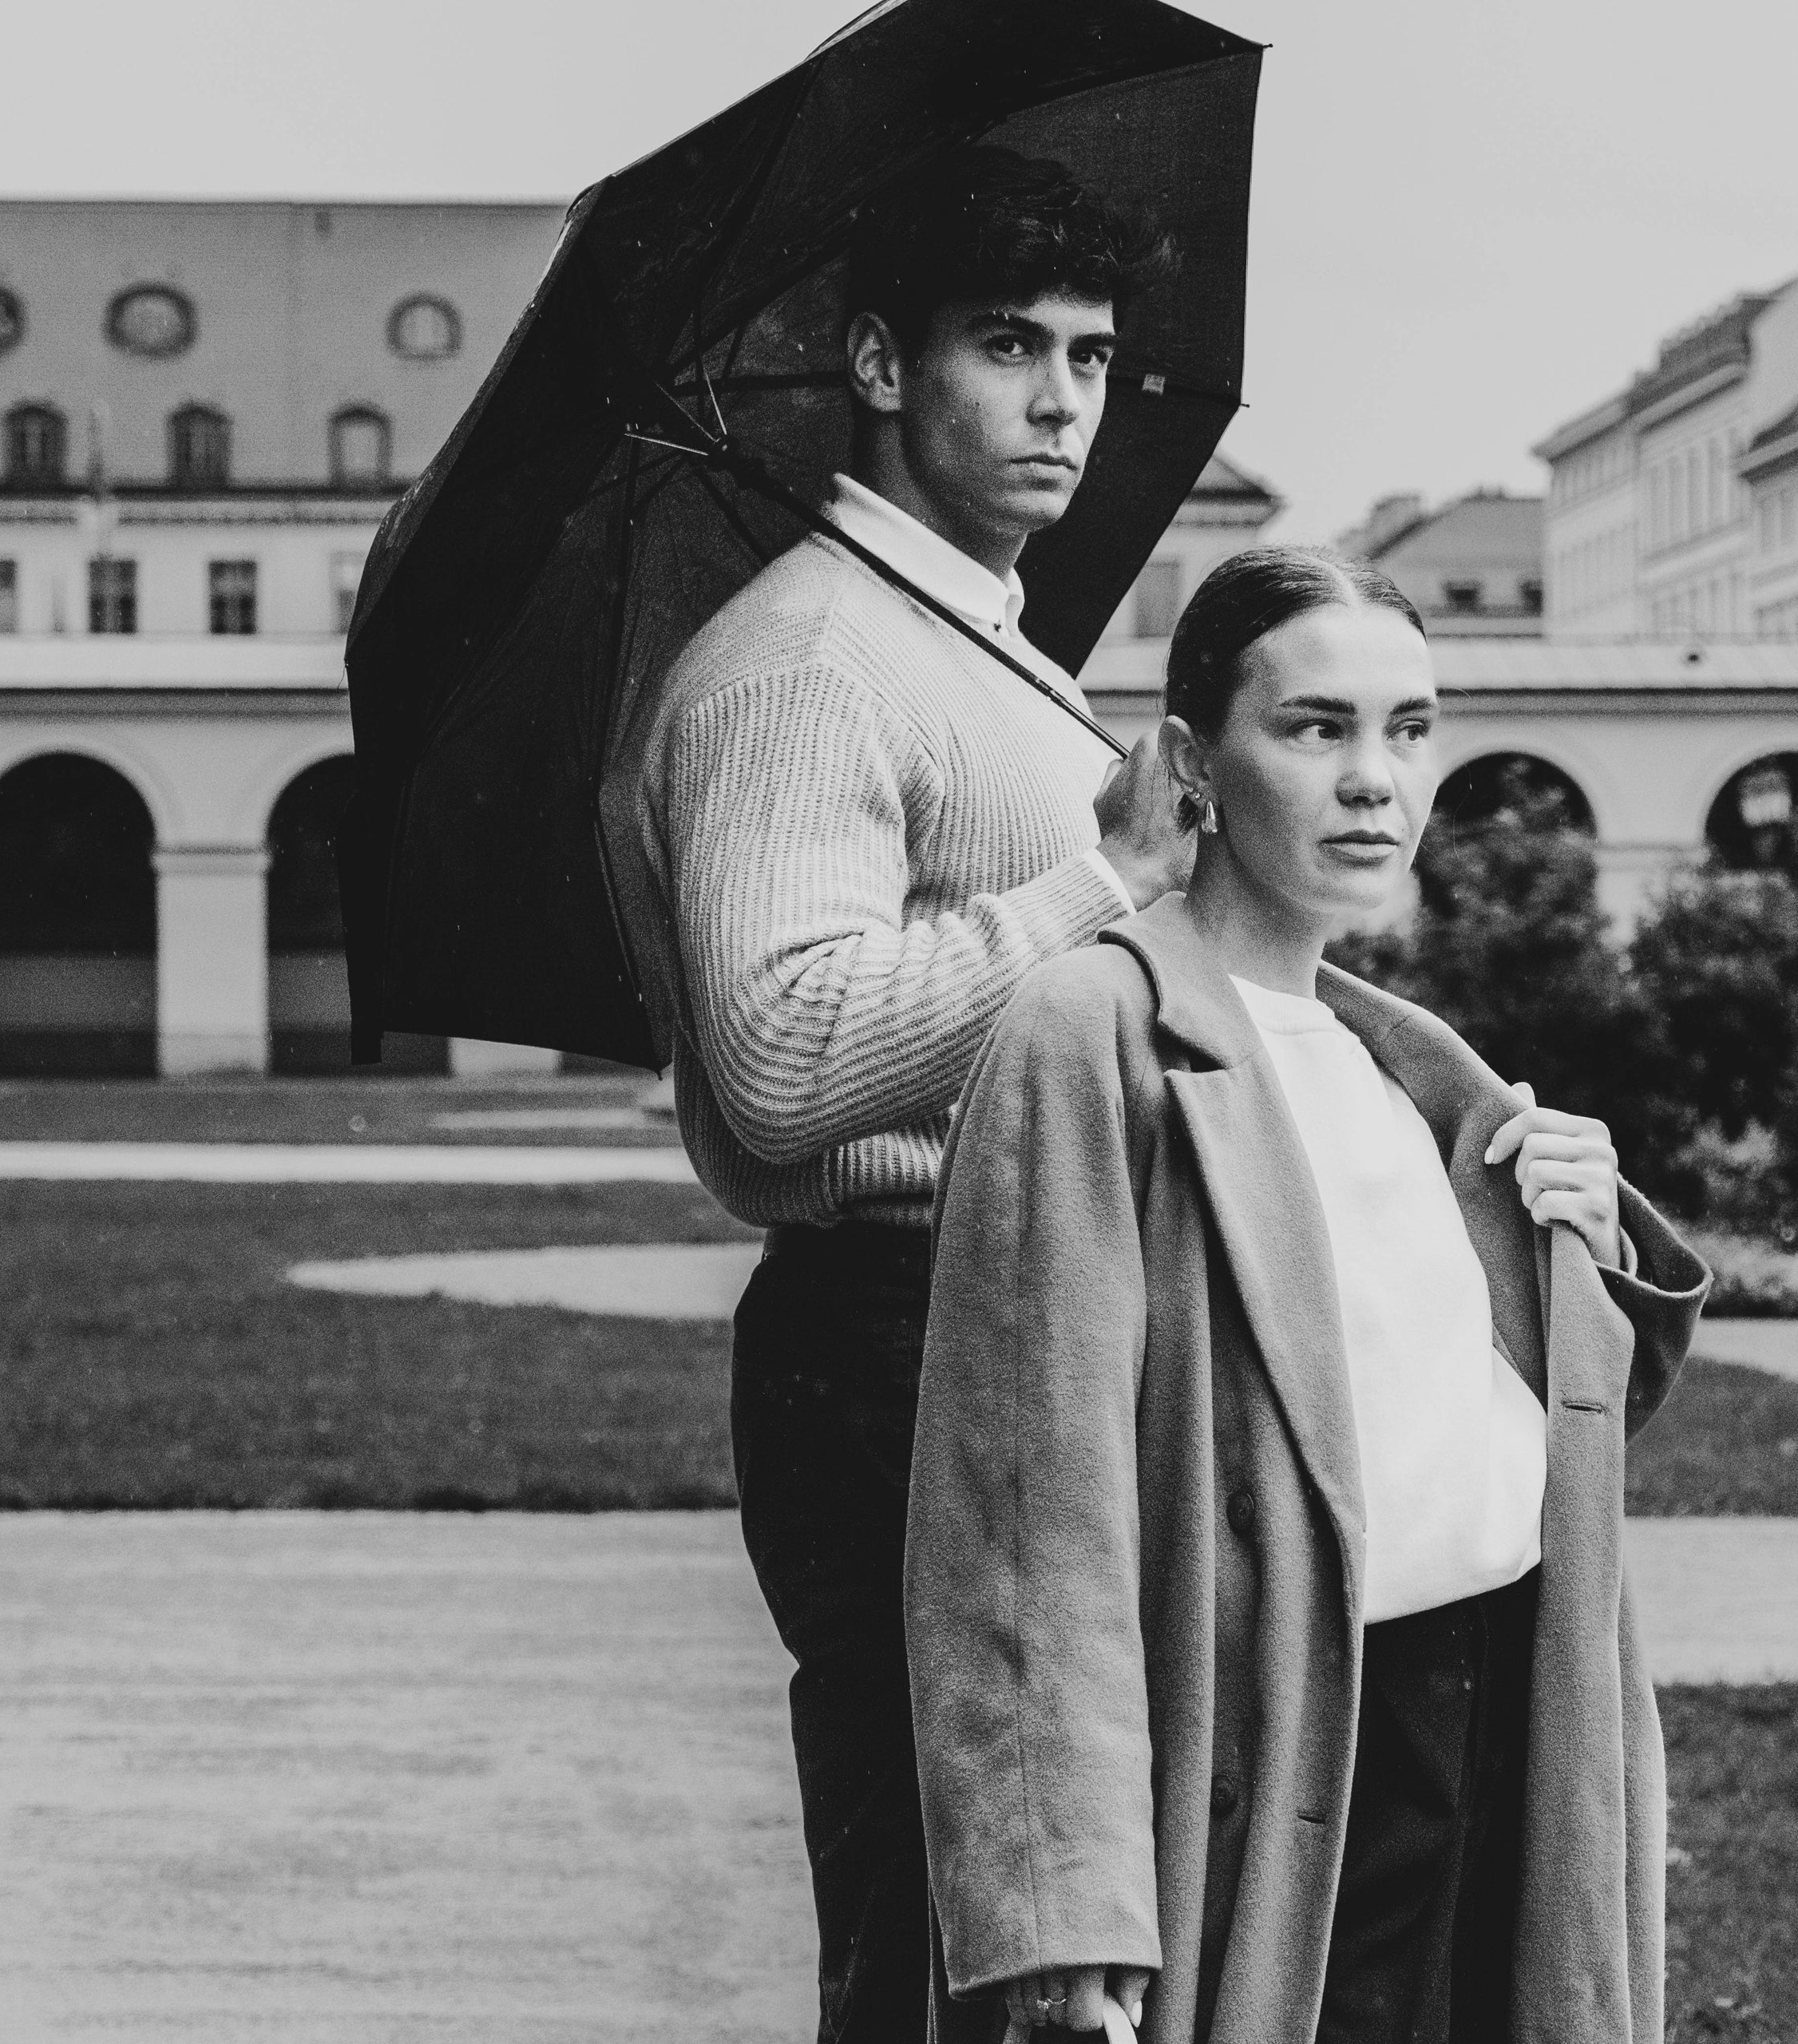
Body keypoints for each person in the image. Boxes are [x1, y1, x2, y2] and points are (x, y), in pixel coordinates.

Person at [905, 546, 1710, 2043]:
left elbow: (1491, 1429)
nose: (1374, 782)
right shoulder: (1093, 1031)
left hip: (1506, 1716)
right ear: (1193, 767)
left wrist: (1581, 1245)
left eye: (1409, 730)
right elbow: (1022, 1506)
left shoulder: (1404, 1061)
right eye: (1316, 728)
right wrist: (1066, 1903)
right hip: (1288, 1742)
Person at [624, 146, 1197, 2044]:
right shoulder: (809, 660)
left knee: (1045, 1918)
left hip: (1016, 1320)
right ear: (879, 363)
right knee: (951, 1934)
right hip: (905, 1333)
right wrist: (1101, 881)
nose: (1062, 401)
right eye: (1006, 345)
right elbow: (780, 1054)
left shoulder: (980, 645)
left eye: (1091, 356)